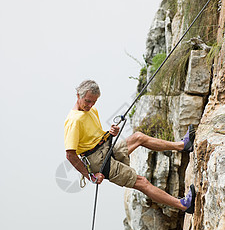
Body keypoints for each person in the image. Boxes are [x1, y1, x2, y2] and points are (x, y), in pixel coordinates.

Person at [64, 80, 196, 214]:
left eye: (94, 102)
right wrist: (90, 176)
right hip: (97, 161)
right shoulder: (73, 121)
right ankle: (184, 205)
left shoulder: (92, 110)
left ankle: (183, 145)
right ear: (78, 96)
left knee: (139, 137)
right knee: (142, 182)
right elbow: (70, 155)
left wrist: (110, 133)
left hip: (105, 148)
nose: (90, 105)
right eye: (87, 101)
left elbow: (92, 136)